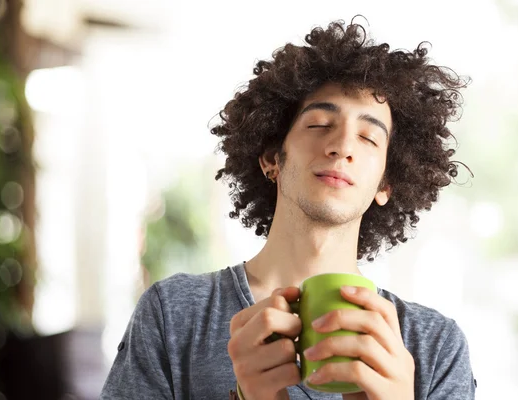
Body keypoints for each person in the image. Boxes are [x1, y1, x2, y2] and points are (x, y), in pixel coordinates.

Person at [100, 19, 476, 400]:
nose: (343, 145)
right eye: (319, 124)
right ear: (271, 157)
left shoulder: (435, 348)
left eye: (368, 137)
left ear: (385, 183)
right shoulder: (174, 314)